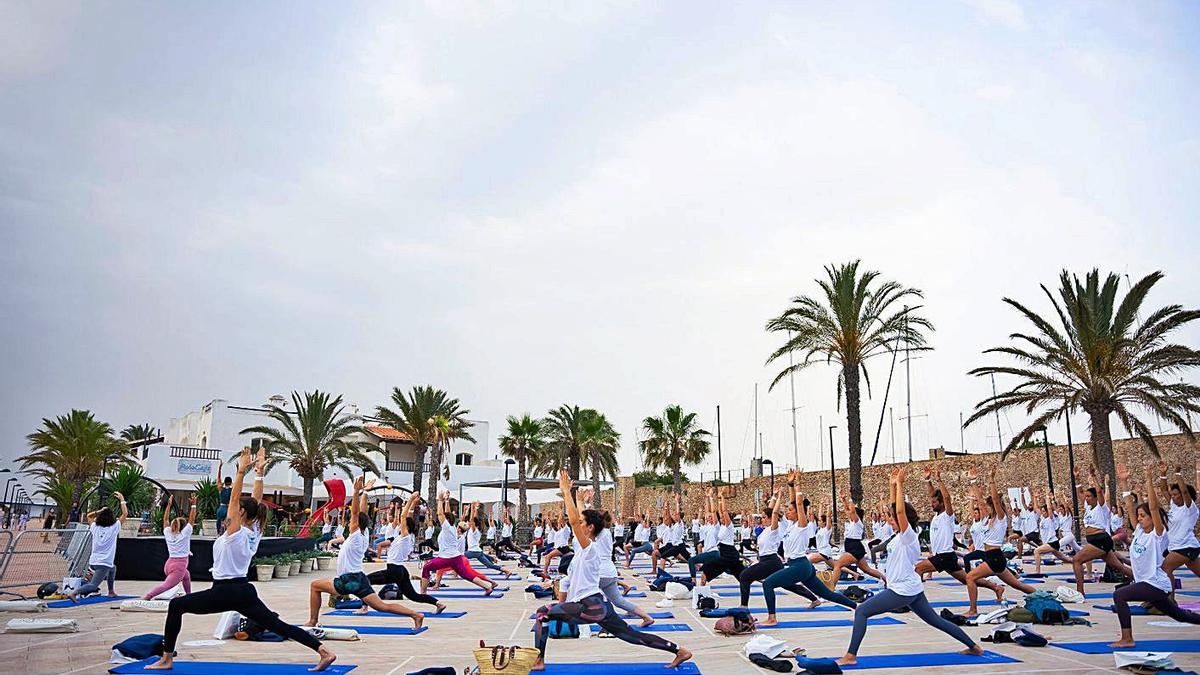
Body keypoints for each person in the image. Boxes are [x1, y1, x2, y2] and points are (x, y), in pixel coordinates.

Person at [149, 448, 335, 671]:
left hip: (224, 591)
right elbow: (255, 500)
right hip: (244, 591)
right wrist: (258, 472)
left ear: (241, 513)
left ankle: (167, 658)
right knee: (278, 625)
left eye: (235, 509)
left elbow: (236, 499)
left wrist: (240, 472)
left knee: (177, 605)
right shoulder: (254, 530)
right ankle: (323, 651)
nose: (232, 510)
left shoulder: (236, 531)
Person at [531, 470, 691, 671]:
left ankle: (539, 660)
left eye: (582, 524)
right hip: (595, 605)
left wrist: (565, 492)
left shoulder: (590, 549)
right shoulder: (583, 545)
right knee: (633, 636)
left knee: (542, 613)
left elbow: (574, 521)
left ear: (589, 529)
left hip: (590, 606)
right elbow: (580, 519)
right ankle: (679, 650)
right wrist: (580, 500)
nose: (578, 526)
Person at [836, 466, 984, 667]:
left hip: (903, 590)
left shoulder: (908, 536)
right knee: (936, 621)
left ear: (902, 519)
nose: (889, 519)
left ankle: (851, 656)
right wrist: (891, 485)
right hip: (912, 587)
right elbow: (893, 509)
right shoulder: (899, 535)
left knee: (862, 611)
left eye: (892, 517)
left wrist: (900, 484)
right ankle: (974, 647)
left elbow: (898, 510)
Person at [306, 475, 424, 630]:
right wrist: (365, 493)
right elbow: (362, 513)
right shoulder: (364, 532)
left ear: (355, 524)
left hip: (349, 580)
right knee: (382, 606)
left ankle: (312, 621)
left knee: (315, 586)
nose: (349, 523)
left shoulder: (355, 535)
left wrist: (356, 492)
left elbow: (355, 513)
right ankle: (416, 615)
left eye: (350, 522)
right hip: (359, 577)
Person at [1109, 463, 1200, 647]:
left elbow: (1153, 506)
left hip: (1155, 584)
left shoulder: (1158, 535)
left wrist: (1150, 480)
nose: (1139, 518)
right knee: (1180, 616)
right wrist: (1124, 482)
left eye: (1143, 516)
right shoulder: (1140, 532)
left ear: (1152, 518)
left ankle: (1127, 639)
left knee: (1119, 595)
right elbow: (1129, 505)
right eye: (1139, 516)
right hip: (1149, 583)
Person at [761, 471, 857, 626]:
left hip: (799, 565)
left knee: (768, 584)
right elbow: (793, 502)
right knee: (826, 594)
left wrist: (798, 484)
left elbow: (798, 504)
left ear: (799, 514)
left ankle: (772, 618)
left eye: (791, 511)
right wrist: (791, 485)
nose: (788, 512)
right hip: (801, 566)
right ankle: (857, 608)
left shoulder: (802, 525)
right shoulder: (790, 525)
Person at [915, 466, 1005, 603]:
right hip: (946, 556)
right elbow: (932, 494)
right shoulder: (937, 515)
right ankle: (996, 587)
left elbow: (946, 497)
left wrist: (939, 480)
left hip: (944, 555)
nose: (931, 504)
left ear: (941, 504)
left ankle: (916, 601)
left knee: (918, 568)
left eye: (934, 502)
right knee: (966, 579)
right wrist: (928, 480)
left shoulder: (947, 515)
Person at [962, 464, 1037, 617]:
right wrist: (973, 481)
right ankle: (1043, 595)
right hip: (994, 558)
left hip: (995, 557)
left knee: (970, 577)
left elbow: (995, 500)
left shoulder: (1001, 519)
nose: (985, 509)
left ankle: (972, 610)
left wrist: (991, 480)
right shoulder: (985, 520)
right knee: (1017, 584)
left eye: (988, 507)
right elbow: (980, 501)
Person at [737, 484, 820, 609]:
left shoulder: (773, 529)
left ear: (770, 519)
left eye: (764, 518)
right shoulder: (765, 529)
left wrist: (779, 498)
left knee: (744, 576)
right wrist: (774, 496)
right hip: (769, 562)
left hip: (770, 562)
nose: (762, 519)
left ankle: (743, 606)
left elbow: (774, 513)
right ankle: (814, 599)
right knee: (788, 584)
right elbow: (770, 511)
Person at [365, 493, 446, 614]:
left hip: (394, 570)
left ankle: (364, 606)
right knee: (413, 596)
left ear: (406, 527)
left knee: (366, 580)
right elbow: (407, 516)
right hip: (401, 570)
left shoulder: (405, 535)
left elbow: (404, 517)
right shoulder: (406, 536)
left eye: (402, 524)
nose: (399, 525)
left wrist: (410, 499)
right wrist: (413, 503)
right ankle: (438, 603)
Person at [420, 491, 499, 595]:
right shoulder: (452, 527)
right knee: (467, 575)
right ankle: (487, 587)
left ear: (446, 520)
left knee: (426, 568)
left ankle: (423, 593)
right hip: (456, 558)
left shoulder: (447, 527)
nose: (441, 519)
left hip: (446, 558)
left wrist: (440, 499)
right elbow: (447, 514)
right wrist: (447, 500)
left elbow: (440, 514)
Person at [1071, 466, 1134, 593]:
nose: (1086, 498)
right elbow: (1079, 493)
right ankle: (1145, 581)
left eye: (1089, 496)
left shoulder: (1102, 507)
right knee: (1118, 566)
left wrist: (1093, 477)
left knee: (1077, 560)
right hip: (1097, 541)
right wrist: (1076, 478)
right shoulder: (1087, 506)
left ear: (1095, 498)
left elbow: (1099, 492)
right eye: (1086, 496)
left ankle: (1080, 591)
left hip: (1100, 540)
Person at [66, 491, 127, 602]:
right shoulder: (114, 527)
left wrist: (100, 511)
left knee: (113, 568)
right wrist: (122, 499)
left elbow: (89, 515)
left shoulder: (94, 527)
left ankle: (111, 591)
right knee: (94, 585)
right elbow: (125, 514)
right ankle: (74, 593)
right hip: (103, 563)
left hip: (93, 561)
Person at [1155, 461, 1200, 587]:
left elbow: (1185, 492)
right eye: (1172, 495)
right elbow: (1164, 489)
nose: (1172, 497)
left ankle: (1170, 602)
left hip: (1186, 547)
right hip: (1177, 547)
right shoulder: (1174, 506)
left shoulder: (1190, 508)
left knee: (1165, 569)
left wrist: (1178, 474)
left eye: (1175, 494)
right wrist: (1163, 474)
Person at [144, 494, 196, 600]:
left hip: (169, 564)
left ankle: (189, 596)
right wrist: (193, 505)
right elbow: (192, 519)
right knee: (166, 586)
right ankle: (148, 596)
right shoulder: (185, 534)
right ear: (183, 527)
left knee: (186, 575)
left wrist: (169, 505)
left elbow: (165, 519)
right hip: (179, 565)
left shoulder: (168, 532)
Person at [829, 492, 885, 585]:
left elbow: (852, 511)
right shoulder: (852, 522)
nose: (849, 514)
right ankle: (886, 579)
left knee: (838, 564)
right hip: (853, 547)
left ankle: (831, 587)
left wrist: (851, 498)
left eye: (852, 513)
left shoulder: (857, 522)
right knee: (867, 570)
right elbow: (848, 510)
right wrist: (843, 500)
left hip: (854, 548)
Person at [698, 488, 745, 585]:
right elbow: (718, 511)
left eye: (724, 517)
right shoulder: (721, 526)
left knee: (706, 570)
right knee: (743, 577)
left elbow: (724, 511)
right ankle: (701, 592)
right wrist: (717, 498)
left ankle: (701, 591)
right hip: (725, 554)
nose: (722, 518)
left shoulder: (729, 526)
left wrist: (722, 497)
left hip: (730, 554)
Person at [464, 502, 515, 578]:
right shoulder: (477, 530)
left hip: (473, 551)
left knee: (458, 557)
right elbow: (474, 519)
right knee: (489, 565)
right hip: (478, 551)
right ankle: (506, 571)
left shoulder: (473, 530)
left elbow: (472, 519)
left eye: (471, 523)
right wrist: (474, 510)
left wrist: (472, 507)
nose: (469, 523)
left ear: (474, 524)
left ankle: (454, 571)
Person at [687, 490, 721, 581]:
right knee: (704, 574)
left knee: (691, 560)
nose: (708, 518)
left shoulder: (716, 527)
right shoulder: (707, 527)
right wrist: (706, 497)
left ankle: (693, 581)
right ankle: (701, 589)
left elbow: (713, 511)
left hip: (713, 552)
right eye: (708, 517)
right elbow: (707, 512)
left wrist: (711, 498)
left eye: (711, 517)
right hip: (709, 553)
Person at [215, 462, 233, 536]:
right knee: (229, 521)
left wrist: (219, 468)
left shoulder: (221, 489)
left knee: (218, 521)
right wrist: (238, 469)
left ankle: (218, 533)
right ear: (231, 482)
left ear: (224, 482)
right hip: (229, 507)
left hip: (221, 507)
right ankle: (227, 533)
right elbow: (238, 482)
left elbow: (218, 479)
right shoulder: (232, 490)